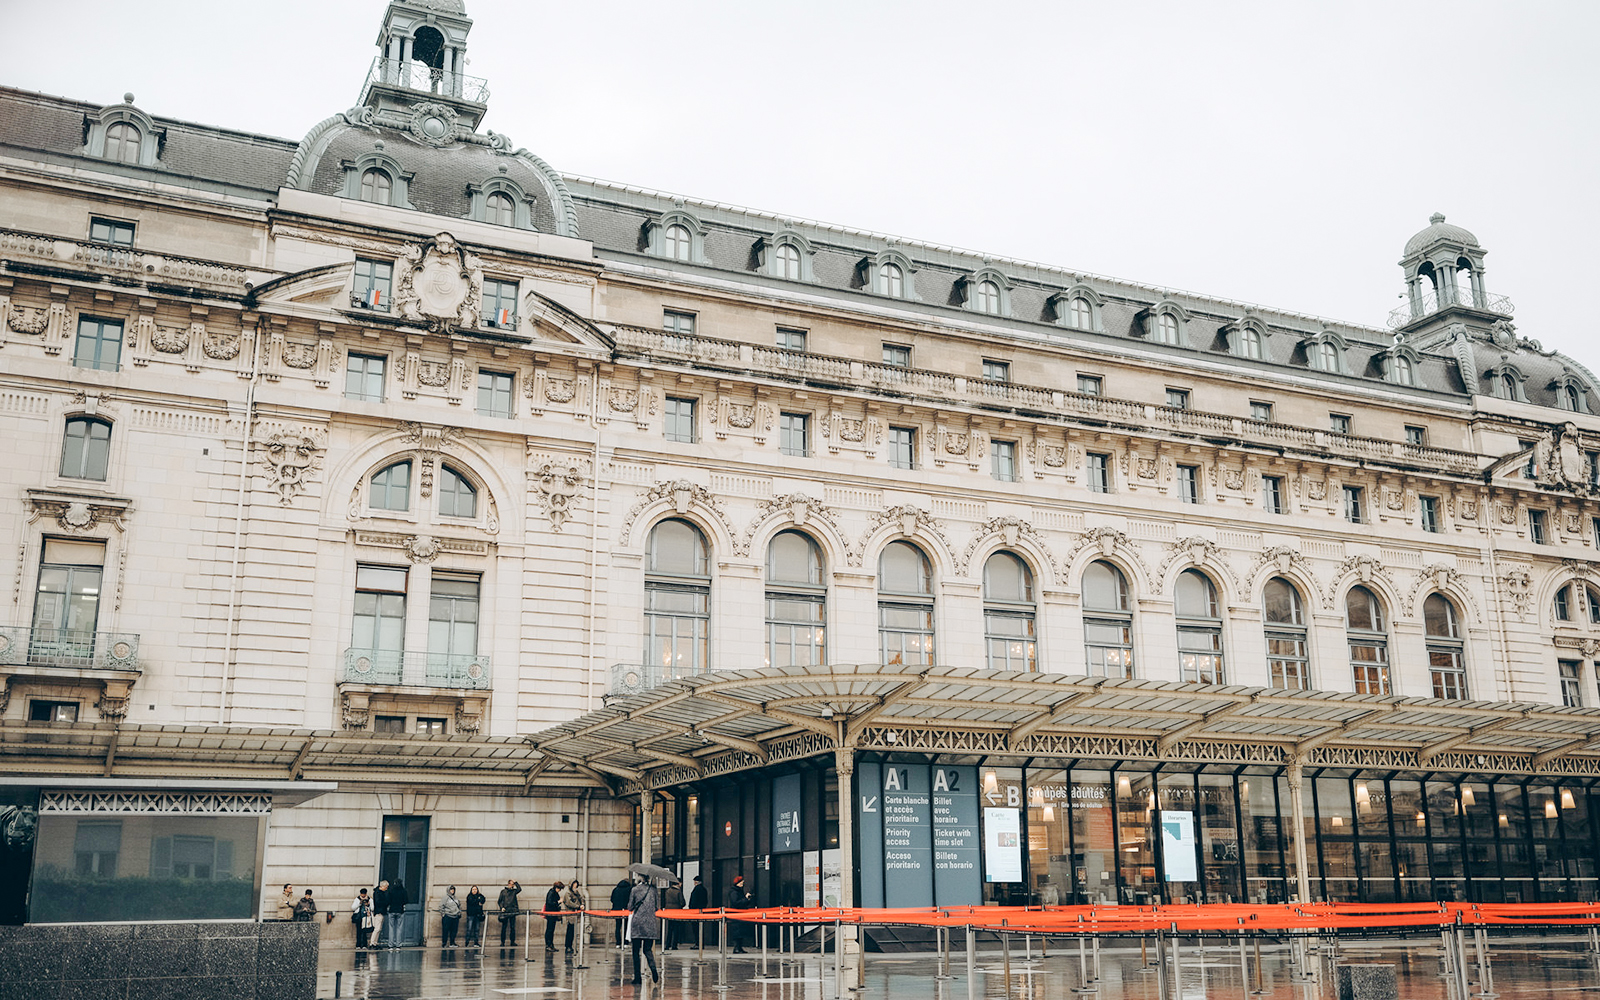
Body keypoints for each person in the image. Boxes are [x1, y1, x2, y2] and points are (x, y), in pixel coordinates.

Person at [627, 876, 661, 984]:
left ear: (640, 878)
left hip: (637, 924)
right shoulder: (654, 890)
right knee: (647, 950)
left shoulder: (635, 890)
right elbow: (657, 907)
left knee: (635, 952)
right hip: (650, 924)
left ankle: (638, 978)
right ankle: (653, 968)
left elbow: (630, 907)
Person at [726, 875, 752, 953]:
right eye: (741, 882)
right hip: (736, 914)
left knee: (740, 931)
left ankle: (739, 947)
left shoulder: (737, 891)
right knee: (737, 931)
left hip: (738, 914)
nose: (742, 884)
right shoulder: (734, 892)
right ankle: (737, 948)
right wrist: (745, 899)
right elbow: (736, 903)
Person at [561, 879, 586, 956]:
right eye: (574, 885)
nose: (575, 886)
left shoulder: (576, 892)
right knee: (570, 931)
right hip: (571, 914)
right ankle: (568, 946)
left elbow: (581, 898)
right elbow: (569, 903)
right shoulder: (568, 893)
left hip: (575, 914)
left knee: (573, 931)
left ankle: (571, 946)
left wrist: (582, 904)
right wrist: (578, 906)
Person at [661, 879, 685, 950]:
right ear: (678, 883)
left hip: (669, 911)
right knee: (676, 929)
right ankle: (674, 945)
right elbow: (682, 902)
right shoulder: (678, 891)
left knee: (670, 929)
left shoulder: (668, 891)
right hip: (677, 911)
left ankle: (667, 945)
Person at [497, 879, 522, 947]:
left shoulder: (514, 891)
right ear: (508, 884)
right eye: (511, 884)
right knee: (504, 927)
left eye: (513, 884)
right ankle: (502, 942)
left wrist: (516, 882)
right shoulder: (503, 892)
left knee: (512, 927)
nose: (512, 885)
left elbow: (519, 889)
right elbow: (499, 901)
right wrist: (502, 907)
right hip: (505, 911)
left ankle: (512, 941)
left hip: (512, 911)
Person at [386, 878, 409, 948]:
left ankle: (390, 944)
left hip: (392, 910)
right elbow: (406, 901)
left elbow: (388, 900)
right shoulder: (404, 891)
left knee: (391, 928)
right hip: (400, 910)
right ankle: (398, 944)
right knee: (399, 928)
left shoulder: (391, 891)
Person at [610, 877, 632, 946]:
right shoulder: (629, 889)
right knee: (626, 927)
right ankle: (625, 942)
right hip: (626, 910)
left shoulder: (615, 889)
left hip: (616, 910)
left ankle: (618, 943)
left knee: (618, 927)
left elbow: (612, 899)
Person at [542, 880, 564, 951]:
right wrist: (558, 902)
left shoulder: (553, 892)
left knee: (551, 930)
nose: (559, 890)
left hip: (553, 914)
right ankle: (548, 945)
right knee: (550, 929)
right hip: (551, 914)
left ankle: (550, 945)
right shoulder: (552, 892)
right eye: (559, 889)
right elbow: (550, 902)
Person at [371, 881, 389, 949]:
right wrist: (386, 902)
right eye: (386, 887)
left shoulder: (378, 892)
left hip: (380, 911)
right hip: (379, 912)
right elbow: (379, 902)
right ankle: (372, 943)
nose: (386, 889)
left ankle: (375, 943)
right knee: (377, 928)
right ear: (382, 886)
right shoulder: (378, 893)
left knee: (378, 928)